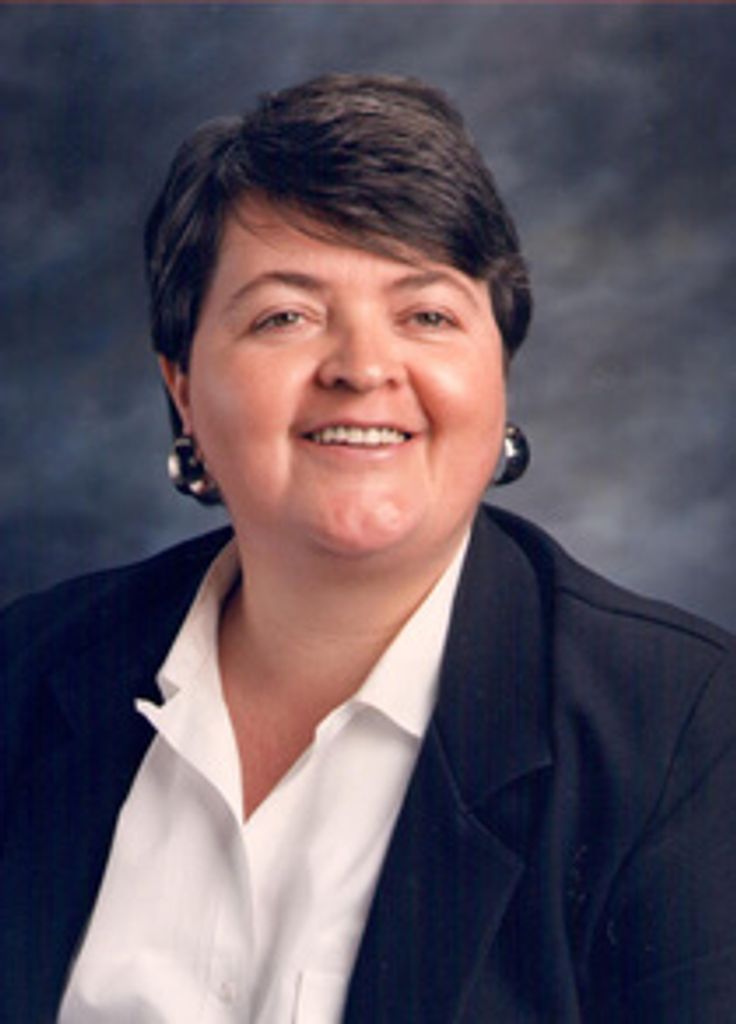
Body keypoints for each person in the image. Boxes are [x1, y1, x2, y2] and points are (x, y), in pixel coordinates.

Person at [1, 73, 734, 1024]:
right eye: (286, 316)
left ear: (499, 372)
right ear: (183, 389)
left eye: (427, 315)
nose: (363, 368)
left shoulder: (684, 732)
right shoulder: (25, 667)